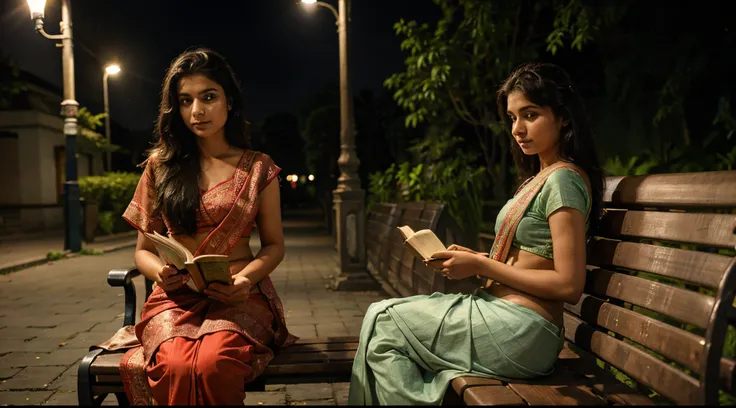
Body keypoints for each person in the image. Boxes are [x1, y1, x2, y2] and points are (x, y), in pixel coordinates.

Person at [348, 62, 604, 405]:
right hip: (500, 314)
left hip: (522, 330)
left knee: (384, 321)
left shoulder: (563, 181)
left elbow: (568, 286)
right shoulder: (540, 178)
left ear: (563, 117)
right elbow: (532, 260)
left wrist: (482, 268)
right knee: (381, 324)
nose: (517, 129)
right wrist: (476, 258)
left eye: (530, 115)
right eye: (513, 117)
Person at [93, 48, 297, 405]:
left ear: (229, 101)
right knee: (174, 363)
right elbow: (142, 251)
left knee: (213, 363)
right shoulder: (161, 167)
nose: (196, 111)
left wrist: (245, 281)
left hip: (238, 295)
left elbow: (274, 245)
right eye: (185, 101)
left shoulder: (258, 168)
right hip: (174, 298)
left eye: (208, 97)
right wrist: (160, 274)